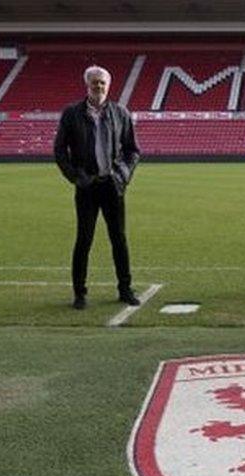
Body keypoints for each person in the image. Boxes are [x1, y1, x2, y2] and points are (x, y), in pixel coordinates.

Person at [54, 65, 141, 310]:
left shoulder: (120, 113)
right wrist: (76, 177)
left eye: (102, 82)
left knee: (119, 239)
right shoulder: (72, 114)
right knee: (84, 239)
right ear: (87, 84)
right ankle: (79, 293)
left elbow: (132, 150)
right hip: (87, 186)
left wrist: (122, 175)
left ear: (109, 85)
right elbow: (60, 151)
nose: (99, 86)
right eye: (95, 82)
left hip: (113, 186)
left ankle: (125, 289)